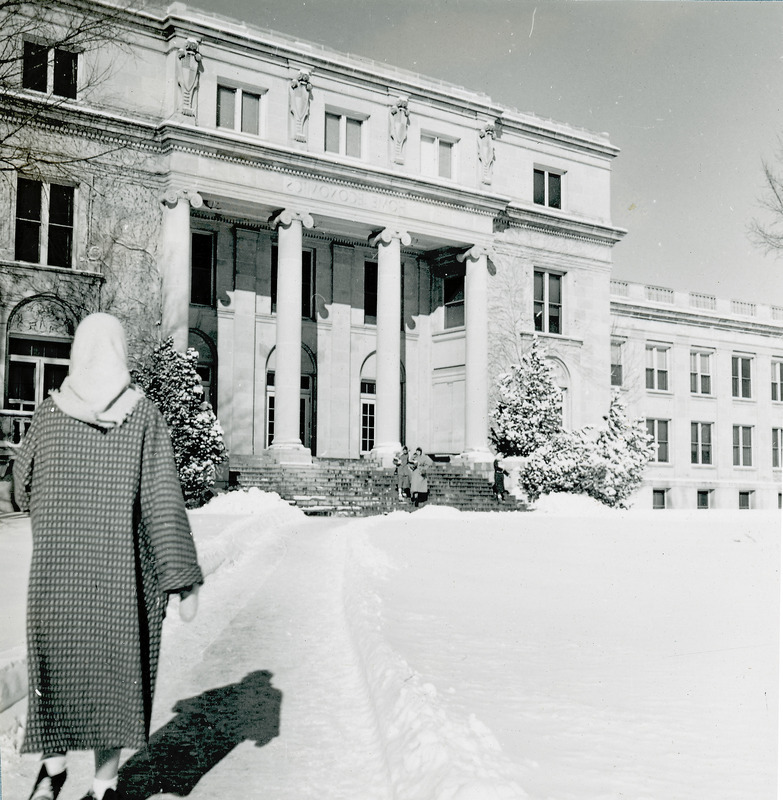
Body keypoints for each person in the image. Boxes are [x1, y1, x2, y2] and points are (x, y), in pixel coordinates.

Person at [14, 314, 204, 800]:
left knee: (57, 666)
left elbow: (21, 485)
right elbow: (163, 500)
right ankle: (104, 786)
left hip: (58, 578)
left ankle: (52, 770)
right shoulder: (143, 416)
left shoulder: (48, 414)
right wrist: (181, 578)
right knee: (117, 675)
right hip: (122, 580)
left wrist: (58, 513)